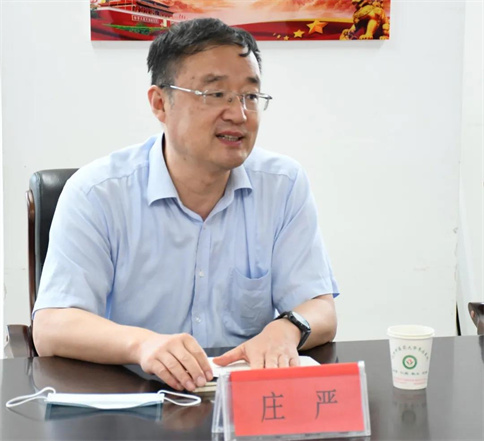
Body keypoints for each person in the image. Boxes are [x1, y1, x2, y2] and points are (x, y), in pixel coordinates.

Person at [33, 18, 339, 393]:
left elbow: (320, 308)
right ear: (160, 103)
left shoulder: (283, 184)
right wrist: (142, 344)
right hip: (134, 400)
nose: (239, 114)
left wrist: (287, 328)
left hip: (242, 402)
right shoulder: (97, 193)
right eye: (216, 94)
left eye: (249, 96)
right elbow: (51, 327)